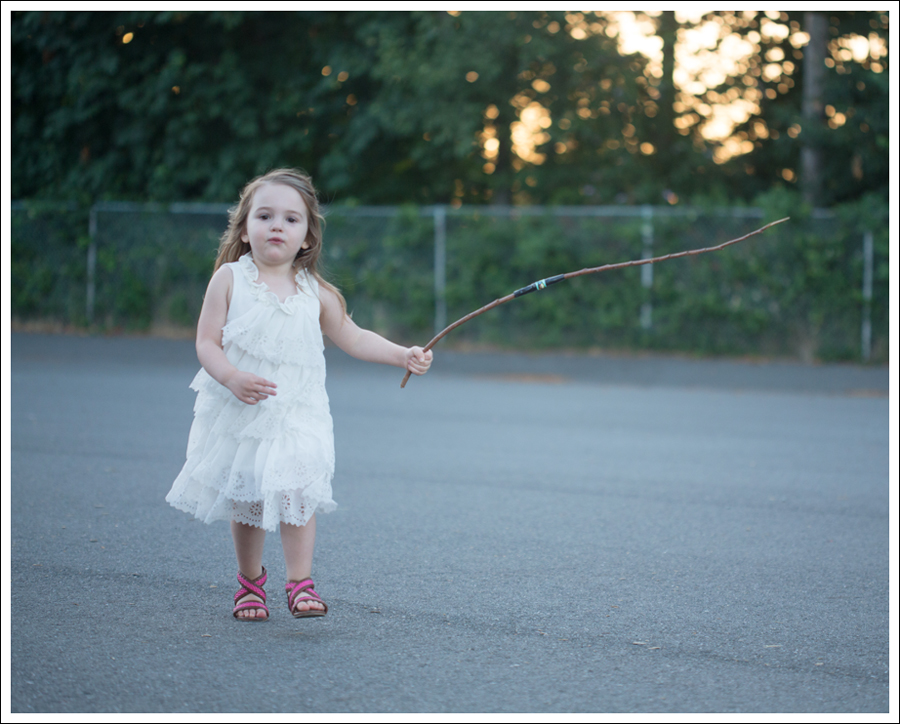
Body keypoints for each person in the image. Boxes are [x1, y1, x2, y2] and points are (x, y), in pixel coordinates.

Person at [166, 168, 432, 621]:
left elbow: (353, 336)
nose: (276, 226)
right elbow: (206, 343)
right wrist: (230, 376)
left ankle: (299, 582)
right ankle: (250, 582)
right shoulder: (229, 279)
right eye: (264, 215)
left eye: (291, 219)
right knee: (249, 498)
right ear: (245, 229)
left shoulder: (316, 292)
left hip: (299, 411)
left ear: (307, 237)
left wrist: (402, 354)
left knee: (296, 490)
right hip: (245, 409)